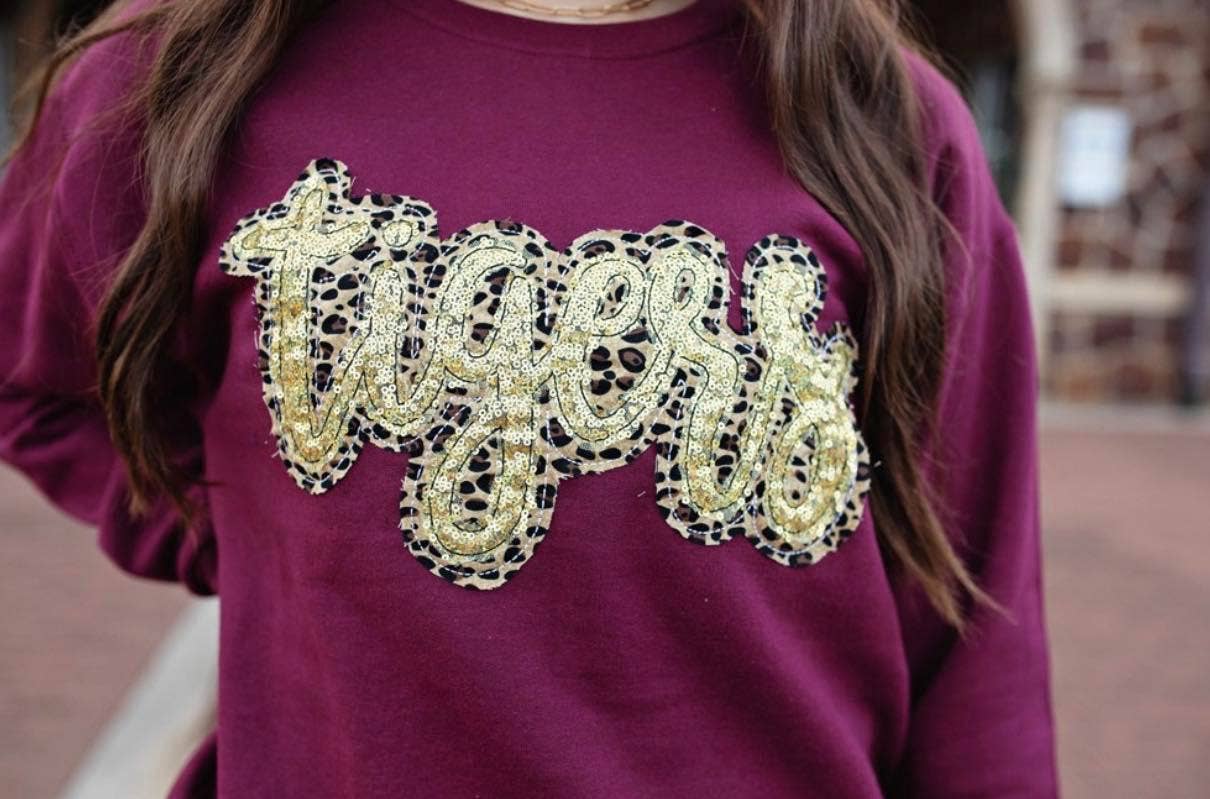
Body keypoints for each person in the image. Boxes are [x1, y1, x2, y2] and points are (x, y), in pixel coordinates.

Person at [0, 0, 1059, 795]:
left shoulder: (883, 122)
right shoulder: (189, 67)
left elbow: (974, 632)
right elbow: (30, 380)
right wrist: (252, 533)